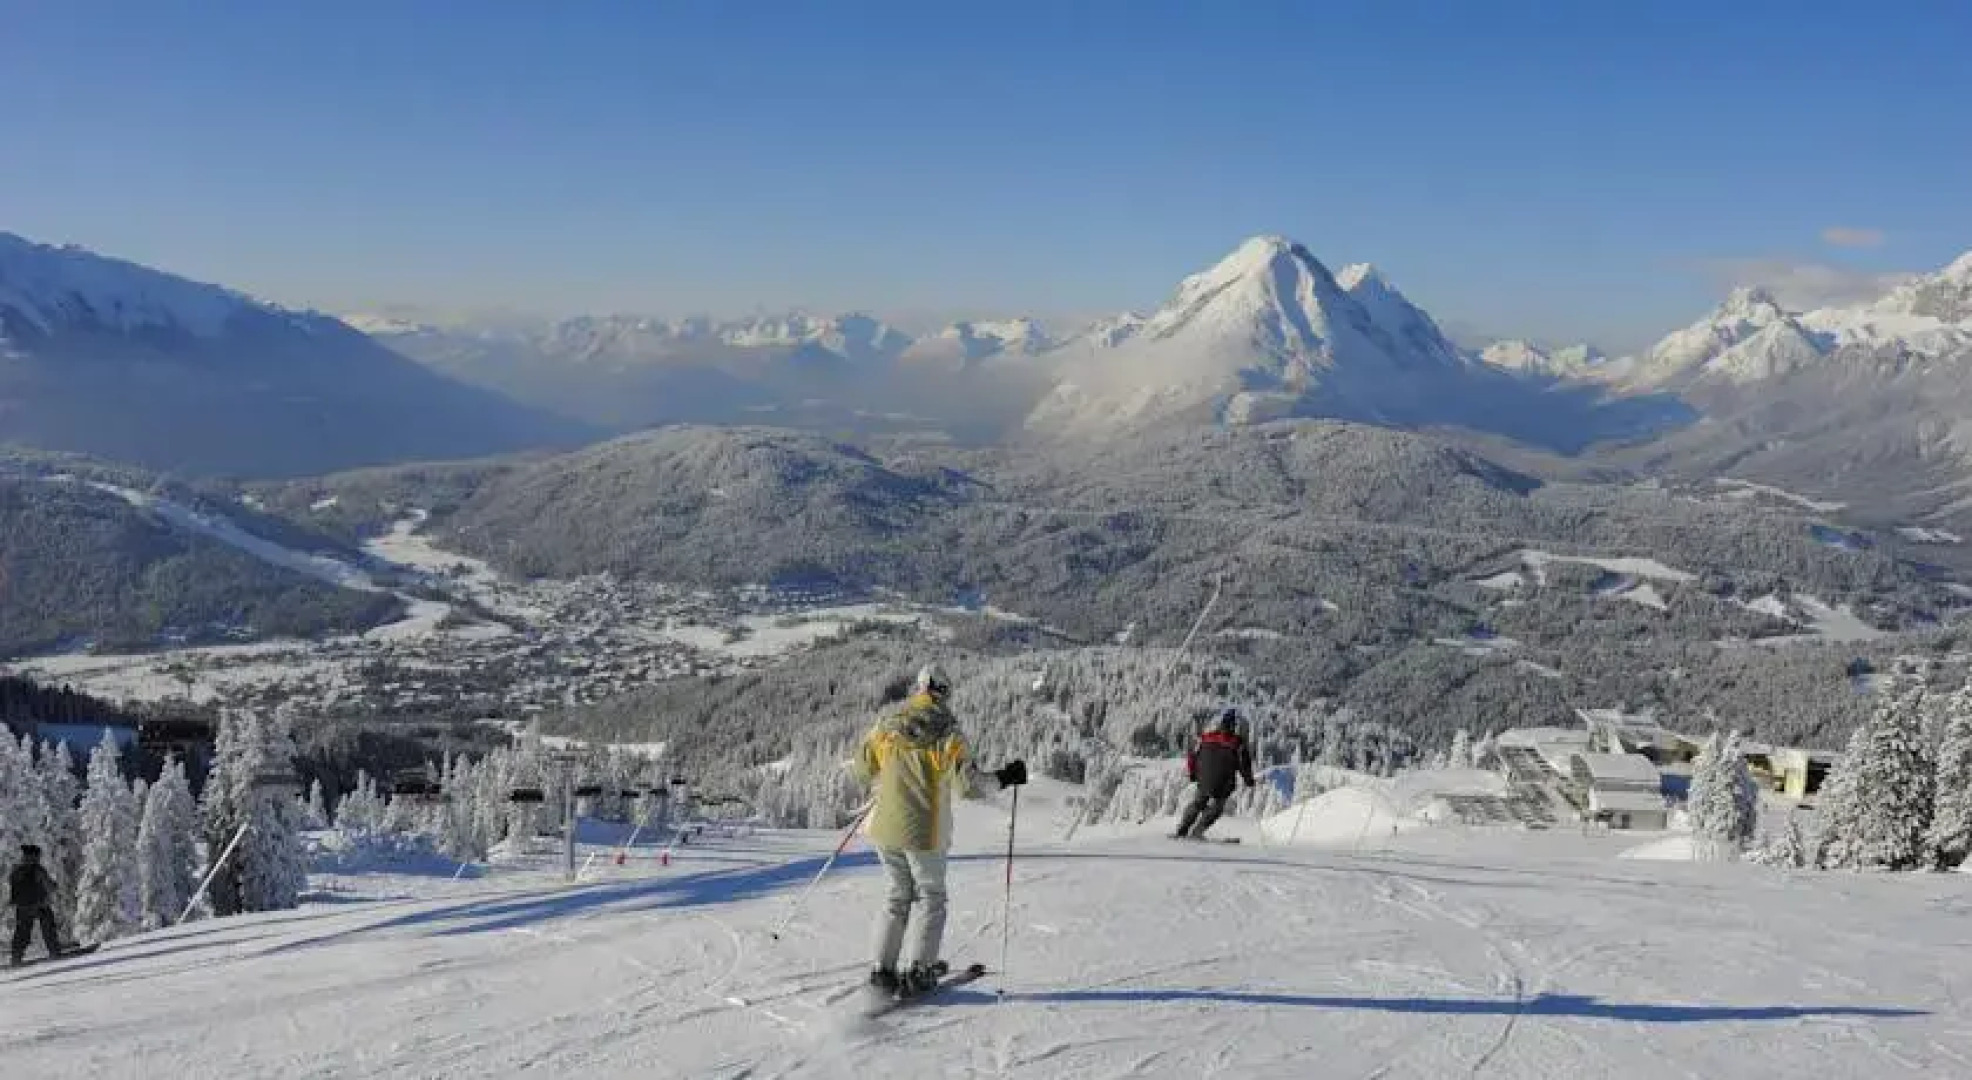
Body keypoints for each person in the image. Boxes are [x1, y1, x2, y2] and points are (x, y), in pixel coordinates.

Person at [853, 663, 1025, 996]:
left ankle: (882, 970)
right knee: (931, 899)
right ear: (944, 693)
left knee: (896, 896)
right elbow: (968, 787)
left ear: (918, 689)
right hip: (924, 832)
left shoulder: (887, 725)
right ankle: (919, 971)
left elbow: (862, 769)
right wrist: (1005, 777)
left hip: (885, 828)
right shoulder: (948, 733)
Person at [1172, 708, 1256, 840]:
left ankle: (1182, 829)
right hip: (1222, 783)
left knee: (1197, 803)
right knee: (1217, 807)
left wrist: (1193, 773)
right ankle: (1197, 832)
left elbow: (1192, 756)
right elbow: (1244, 765)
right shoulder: (1237, 744)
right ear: (1234, 727)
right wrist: (1249, 780)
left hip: (1203, 779)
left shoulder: (1206, 738)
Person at [9, 844, 68, 967]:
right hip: (40, 905)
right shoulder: (37, 869)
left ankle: (16, 957)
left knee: (22, 933)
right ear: (35, 856)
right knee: (48, 929)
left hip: (21, 907)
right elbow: (49, 886)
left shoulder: (16, 870)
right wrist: (54, 886)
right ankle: (54, 951)